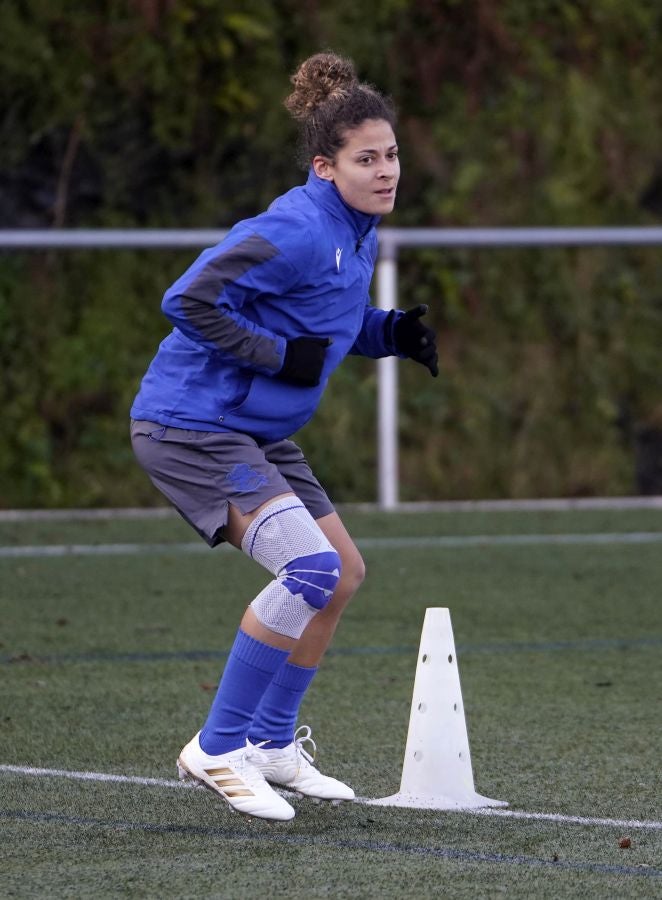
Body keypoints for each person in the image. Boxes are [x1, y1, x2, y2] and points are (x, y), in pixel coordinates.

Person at [130, 51, 438, 822]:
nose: (386, 170)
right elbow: (187, 298)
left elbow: (320, 326)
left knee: (342, 573)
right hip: (192, 426)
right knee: (308, 567)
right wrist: (273, 357)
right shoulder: (296, 227)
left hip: (255, 433)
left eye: (392, 153)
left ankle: (270, 745)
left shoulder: (356, 229)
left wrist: (387, 331)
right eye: (366, 158)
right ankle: (217, 746)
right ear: (325, 167)